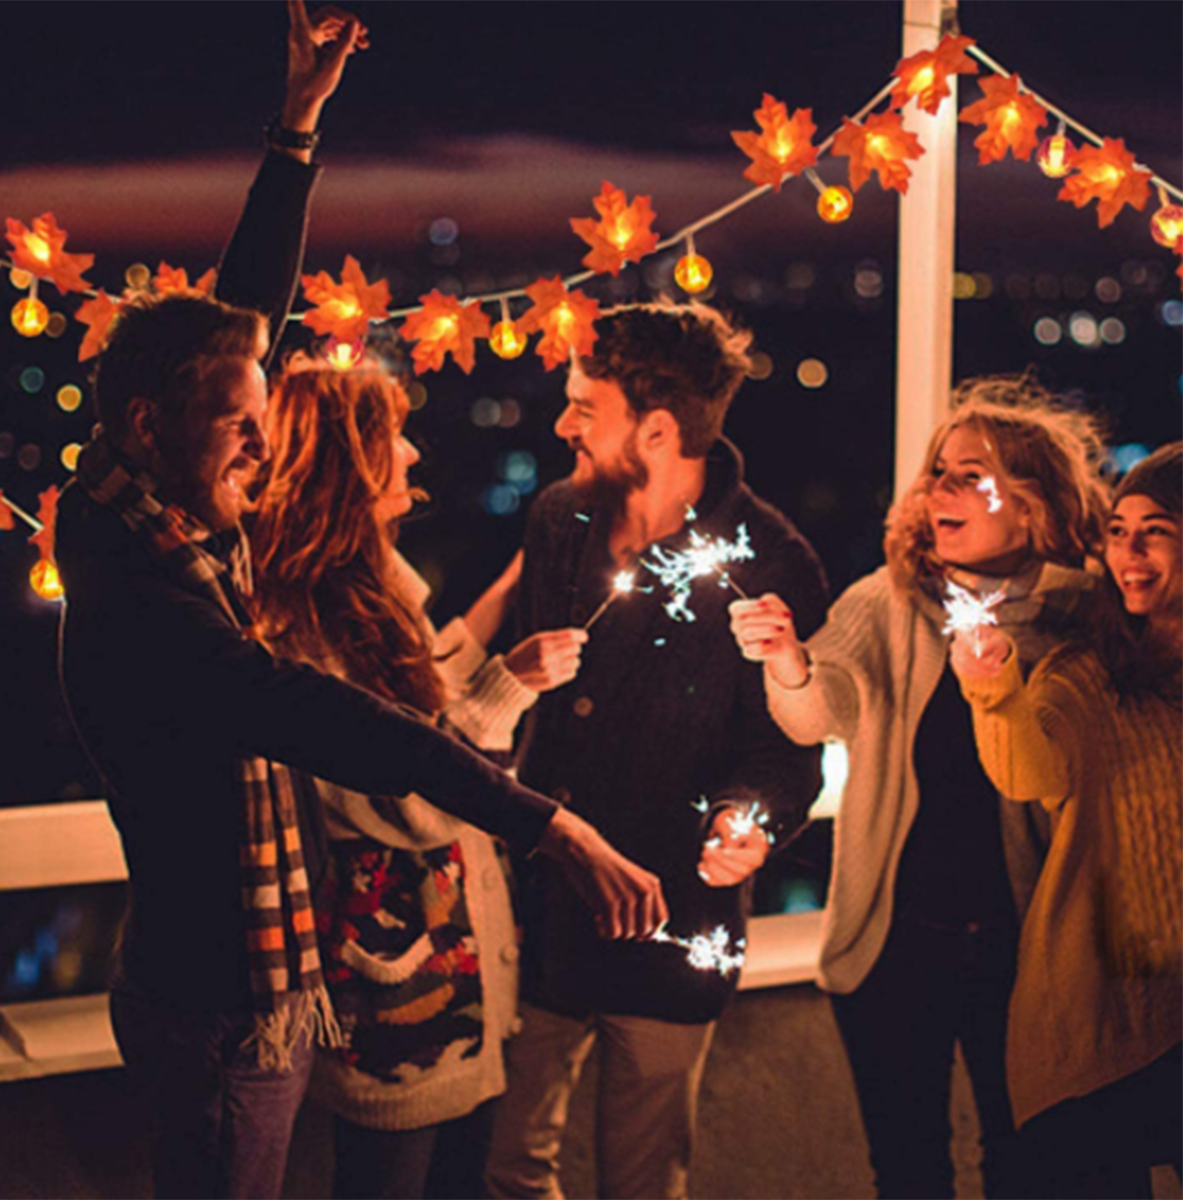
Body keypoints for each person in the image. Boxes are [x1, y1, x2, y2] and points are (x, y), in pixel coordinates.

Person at [53, 24, 665, 1199]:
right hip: (220, 1010)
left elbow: (243, 326)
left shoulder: (148, 518)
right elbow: (343, 723)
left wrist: (296, 129)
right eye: (238, 424)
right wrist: (557, 827)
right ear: (147, 426)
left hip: (251, 993)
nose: (262, 441)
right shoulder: (149, 600)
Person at [729, 376, 1109, 1199]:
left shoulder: (1089, 618)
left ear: (1033, 501)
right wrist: (788, 662)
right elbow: (814, 714)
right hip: (898, 946)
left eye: (969, 474)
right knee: (907, 1171)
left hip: (1030, 953)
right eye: (937, 471)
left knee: (1031, 1166)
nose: (939, 489)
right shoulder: (891, 602)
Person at [484, 301, 829, 1200]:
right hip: (543, 922)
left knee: (642, 1184)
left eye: (582, 408)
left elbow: (790, 749)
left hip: (674, 929)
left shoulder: (772, 562)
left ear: (659, 428)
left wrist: (750, 824)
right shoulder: (558, 522)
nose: (561, 425)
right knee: (506, 1165)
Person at [251, 358, 581, 1200]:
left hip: (451, 975)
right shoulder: (301, 618)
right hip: (400, 983)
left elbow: (424, 691)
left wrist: (518, 586)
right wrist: (510, 686)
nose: (411, 454)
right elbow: (408, 796)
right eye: (391, 435)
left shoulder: (376, 580)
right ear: (349, 460)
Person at [951, 442, 1183, 1198]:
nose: (1129, 553)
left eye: (1156, 531)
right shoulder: (1088, 672)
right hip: (1102, 1018)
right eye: (1118, 531)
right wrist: (994, 690)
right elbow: (1029, 769)